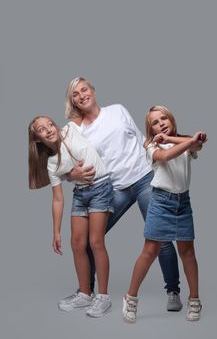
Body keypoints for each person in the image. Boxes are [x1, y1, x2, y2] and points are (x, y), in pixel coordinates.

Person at [59, 77, 182, 312]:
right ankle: (87, 291)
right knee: (86, 240)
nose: (82, 95)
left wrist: (160, 161)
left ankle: (173, 290)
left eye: (84, 89)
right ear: (73, 102)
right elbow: (66, 164)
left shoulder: (117, 110)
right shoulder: (78, 130)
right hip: (113, 188)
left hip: (145, 178)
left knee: (161, 238)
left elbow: (139, 139)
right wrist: (71, 175)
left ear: (93, 90)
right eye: (75, 94)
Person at [122, 105, 207, 323]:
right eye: (155, 122)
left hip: (183, 204)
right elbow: (166, 156)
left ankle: (194, 300)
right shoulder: (151, 146)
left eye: (164, 119)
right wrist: (189, 140)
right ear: (150, 130)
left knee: (187, 252)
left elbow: (197, 145)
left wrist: (190, 139)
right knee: (150, 251)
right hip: (161, 202)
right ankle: (130, 298)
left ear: (171, 120)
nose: (161, 123)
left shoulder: (184, 141)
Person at [28, 116, 114, 317]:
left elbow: (78, 105)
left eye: (50, 124)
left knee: (95, 242)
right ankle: (85, 293)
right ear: (38, 139)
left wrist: (70, 175)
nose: (49, 129)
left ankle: (103, 297)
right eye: (42, 129)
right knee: (76, 243)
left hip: (101, 187)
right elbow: (58, 200)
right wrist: (55, 232)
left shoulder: (69, 129)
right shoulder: (51, 164)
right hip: (80, 194)